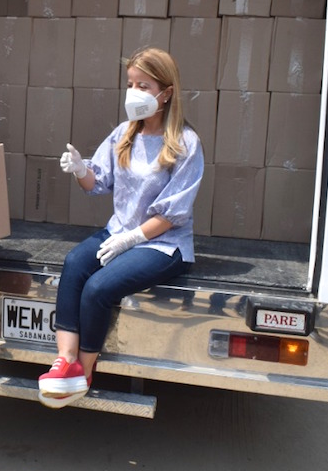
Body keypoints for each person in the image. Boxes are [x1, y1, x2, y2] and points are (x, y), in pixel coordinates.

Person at [37, 47, 203, 408]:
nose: (134, 93)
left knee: (98, 288)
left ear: (167, 92)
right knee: (74, 264)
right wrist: (82, 170)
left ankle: (82, 372)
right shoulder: (124, 133)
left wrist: (132, 238)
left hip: (162, 244)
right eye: (130, 84)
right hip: (120, 232)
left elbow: (173, 213)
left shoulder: (186, 144)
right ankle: (63, 361)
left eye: (143, 85)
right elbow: (97, 184)